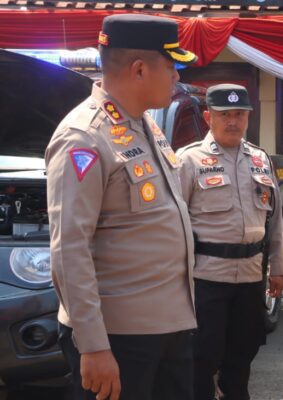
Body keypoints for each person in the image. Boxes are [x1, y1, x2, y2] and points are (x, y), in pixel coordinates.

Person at [45, 14, 199, 400]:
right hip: (119, 337)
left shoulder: (145, 125)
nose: (177, 77)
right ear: (140, 69)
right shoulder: (84, 137)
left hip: (169, 326)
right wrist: (93, 345)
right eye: (172, 66)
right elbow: (69, 249)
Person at [177, 83, 283, 400]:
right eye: (225, 114)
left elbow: (275, 219)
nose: (233, 121)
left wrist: (278, 267)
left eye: (240, 114)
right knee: (203, 355)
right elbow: (173, 224)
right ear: (208, 116)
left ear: (247, 118)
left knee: (243, 353)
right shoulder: (189, 161)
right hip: (206, 278)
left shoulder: (260, 159)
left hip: (251, 277)